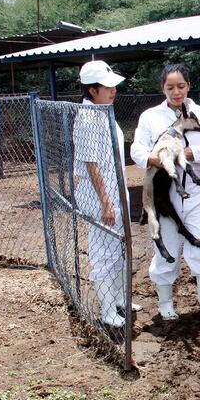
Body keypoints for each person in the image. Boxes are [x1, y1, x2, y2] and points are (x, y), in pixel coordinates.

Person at [131, 64, 200, 329]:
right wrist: (156, 159)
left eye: (181, 86)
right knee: (166, 249)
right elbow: (137, 150)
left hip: (195, 194)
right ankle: (165, 305)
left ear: (189, 86)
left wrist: (191, 154)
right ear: (162, 88)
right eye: (170, 87)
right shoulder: (151, 117)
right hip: (164, 196)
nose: (176, 92)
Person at [72, 60, 134, 330]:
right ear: (92, 89)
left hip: (114, 191)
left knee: (118, 247)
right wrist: (106, 203)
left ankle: (119, 299)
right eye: (107, 87)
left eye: (113, 86)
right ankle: (108, 310)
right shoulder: (87, 117)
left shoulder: (103, 112)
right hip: (100, 196)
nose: (113, 91)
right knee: (103, 252)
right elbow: (91, 164)